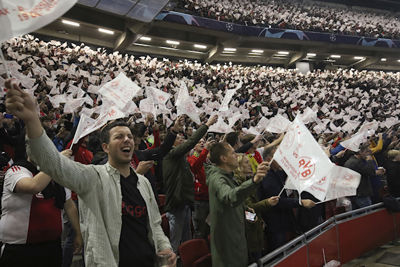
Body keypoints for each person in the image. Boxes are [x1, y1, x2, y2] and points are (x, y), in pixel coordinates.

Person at [4, 79, 176, 267]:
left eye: (129, 137)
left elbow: (155, 226)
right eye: (119, 137)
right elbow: (52, 163)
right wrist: (31, 119)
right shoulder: (94, 177)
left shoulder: (143, 184)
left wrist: (164, 248)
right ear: (106, 147)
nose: (127, 140)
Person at [0, 149, 82, 267]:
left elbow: (69, 205)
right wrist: (55, 162)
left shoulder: (56, 174)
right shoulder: (16, 170)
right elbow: (33, 186)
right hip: (20, 248)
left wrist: (78, 232)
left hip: (52, 246)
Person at [205, 142, 270, 267]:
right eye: (233, 153)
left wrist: (246, 210)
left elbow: (233, 203)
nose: (237, 155)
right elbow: (229, 196)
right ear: (223, 158)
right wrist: (254, 181)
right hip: (228, 246)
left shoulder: (229, 176)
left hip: (237, 240)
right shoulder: (217, 179)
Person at [162, 114, 217, 252]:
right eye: (179, 138)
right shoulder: (171, 154)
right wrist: (207, 125)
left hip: (185, 201)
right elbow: (191, 143)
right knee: (176, 239)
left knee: (186, 237)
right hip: (177, 202)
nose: (182, 140)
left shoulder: (181, 157)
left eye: (182, 138)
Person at [187, 138, 215, 239]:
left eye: (203, 142)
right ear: (193, 146)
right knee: (200, 229)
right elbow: (195, 167)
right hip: (200, 199)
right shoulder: (191, 158)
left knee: (209, 228)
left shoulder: (207, 158)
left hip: (210, 196)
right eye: (199, 142)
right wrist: (205, 150)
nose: (202, 143)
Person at [344, 143, 384, 210]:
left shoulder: (353, 160)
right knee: (367, 213)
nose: (368, 154)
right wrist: (369, 160)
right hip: (361, 194)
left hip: (356, 193)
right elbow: (370, 171)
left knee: (357, 215)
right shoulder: (355, 162)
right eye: (366, 151)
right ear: (360, 152)